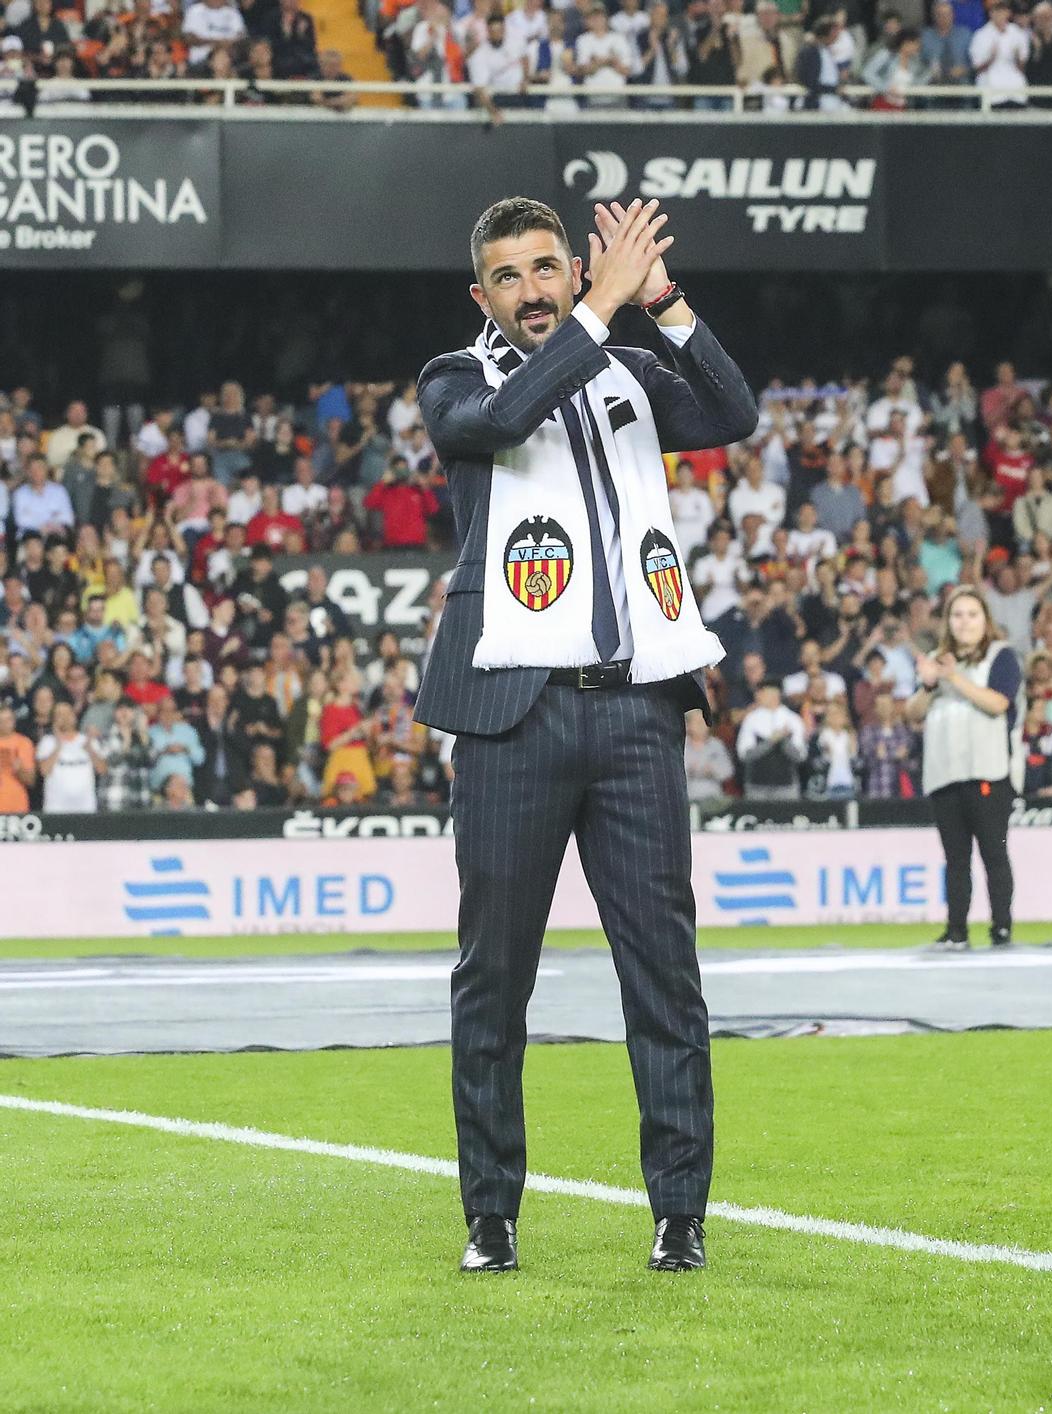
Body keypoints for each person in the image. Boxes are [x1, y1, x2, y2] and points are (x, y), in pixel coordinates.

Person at [414, 196, 757, 1276]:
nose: (530, 289)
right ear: (482, 296)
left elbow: (733, 412)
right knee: (494, 978)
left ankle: (679, 1211)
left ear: (570, 270)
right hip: (512, 711)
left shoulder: (630, 373)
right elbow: (501, 422)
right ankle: (490, 1214)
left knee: (664, 971)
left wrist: (663, 301)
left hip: (635, 708)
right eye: (507, 277)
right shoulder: (455, 380)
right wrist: (602, 313)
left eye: (547, 268)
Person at [912, 586, 1024, 951]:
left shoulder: (1000, 656)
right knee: (955, 859)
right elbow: (912, 713)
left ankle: (1001, 928)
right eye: (957, 615)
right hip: (945, 773)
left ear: (985, 620)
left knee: (994, 852)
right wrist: (929, 684)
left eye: (972, 614)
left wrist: (954, 677)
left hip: (987, 771)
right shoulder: (936, 659)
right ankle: (956, 930)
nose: (964, 622)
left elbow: (997, 703)